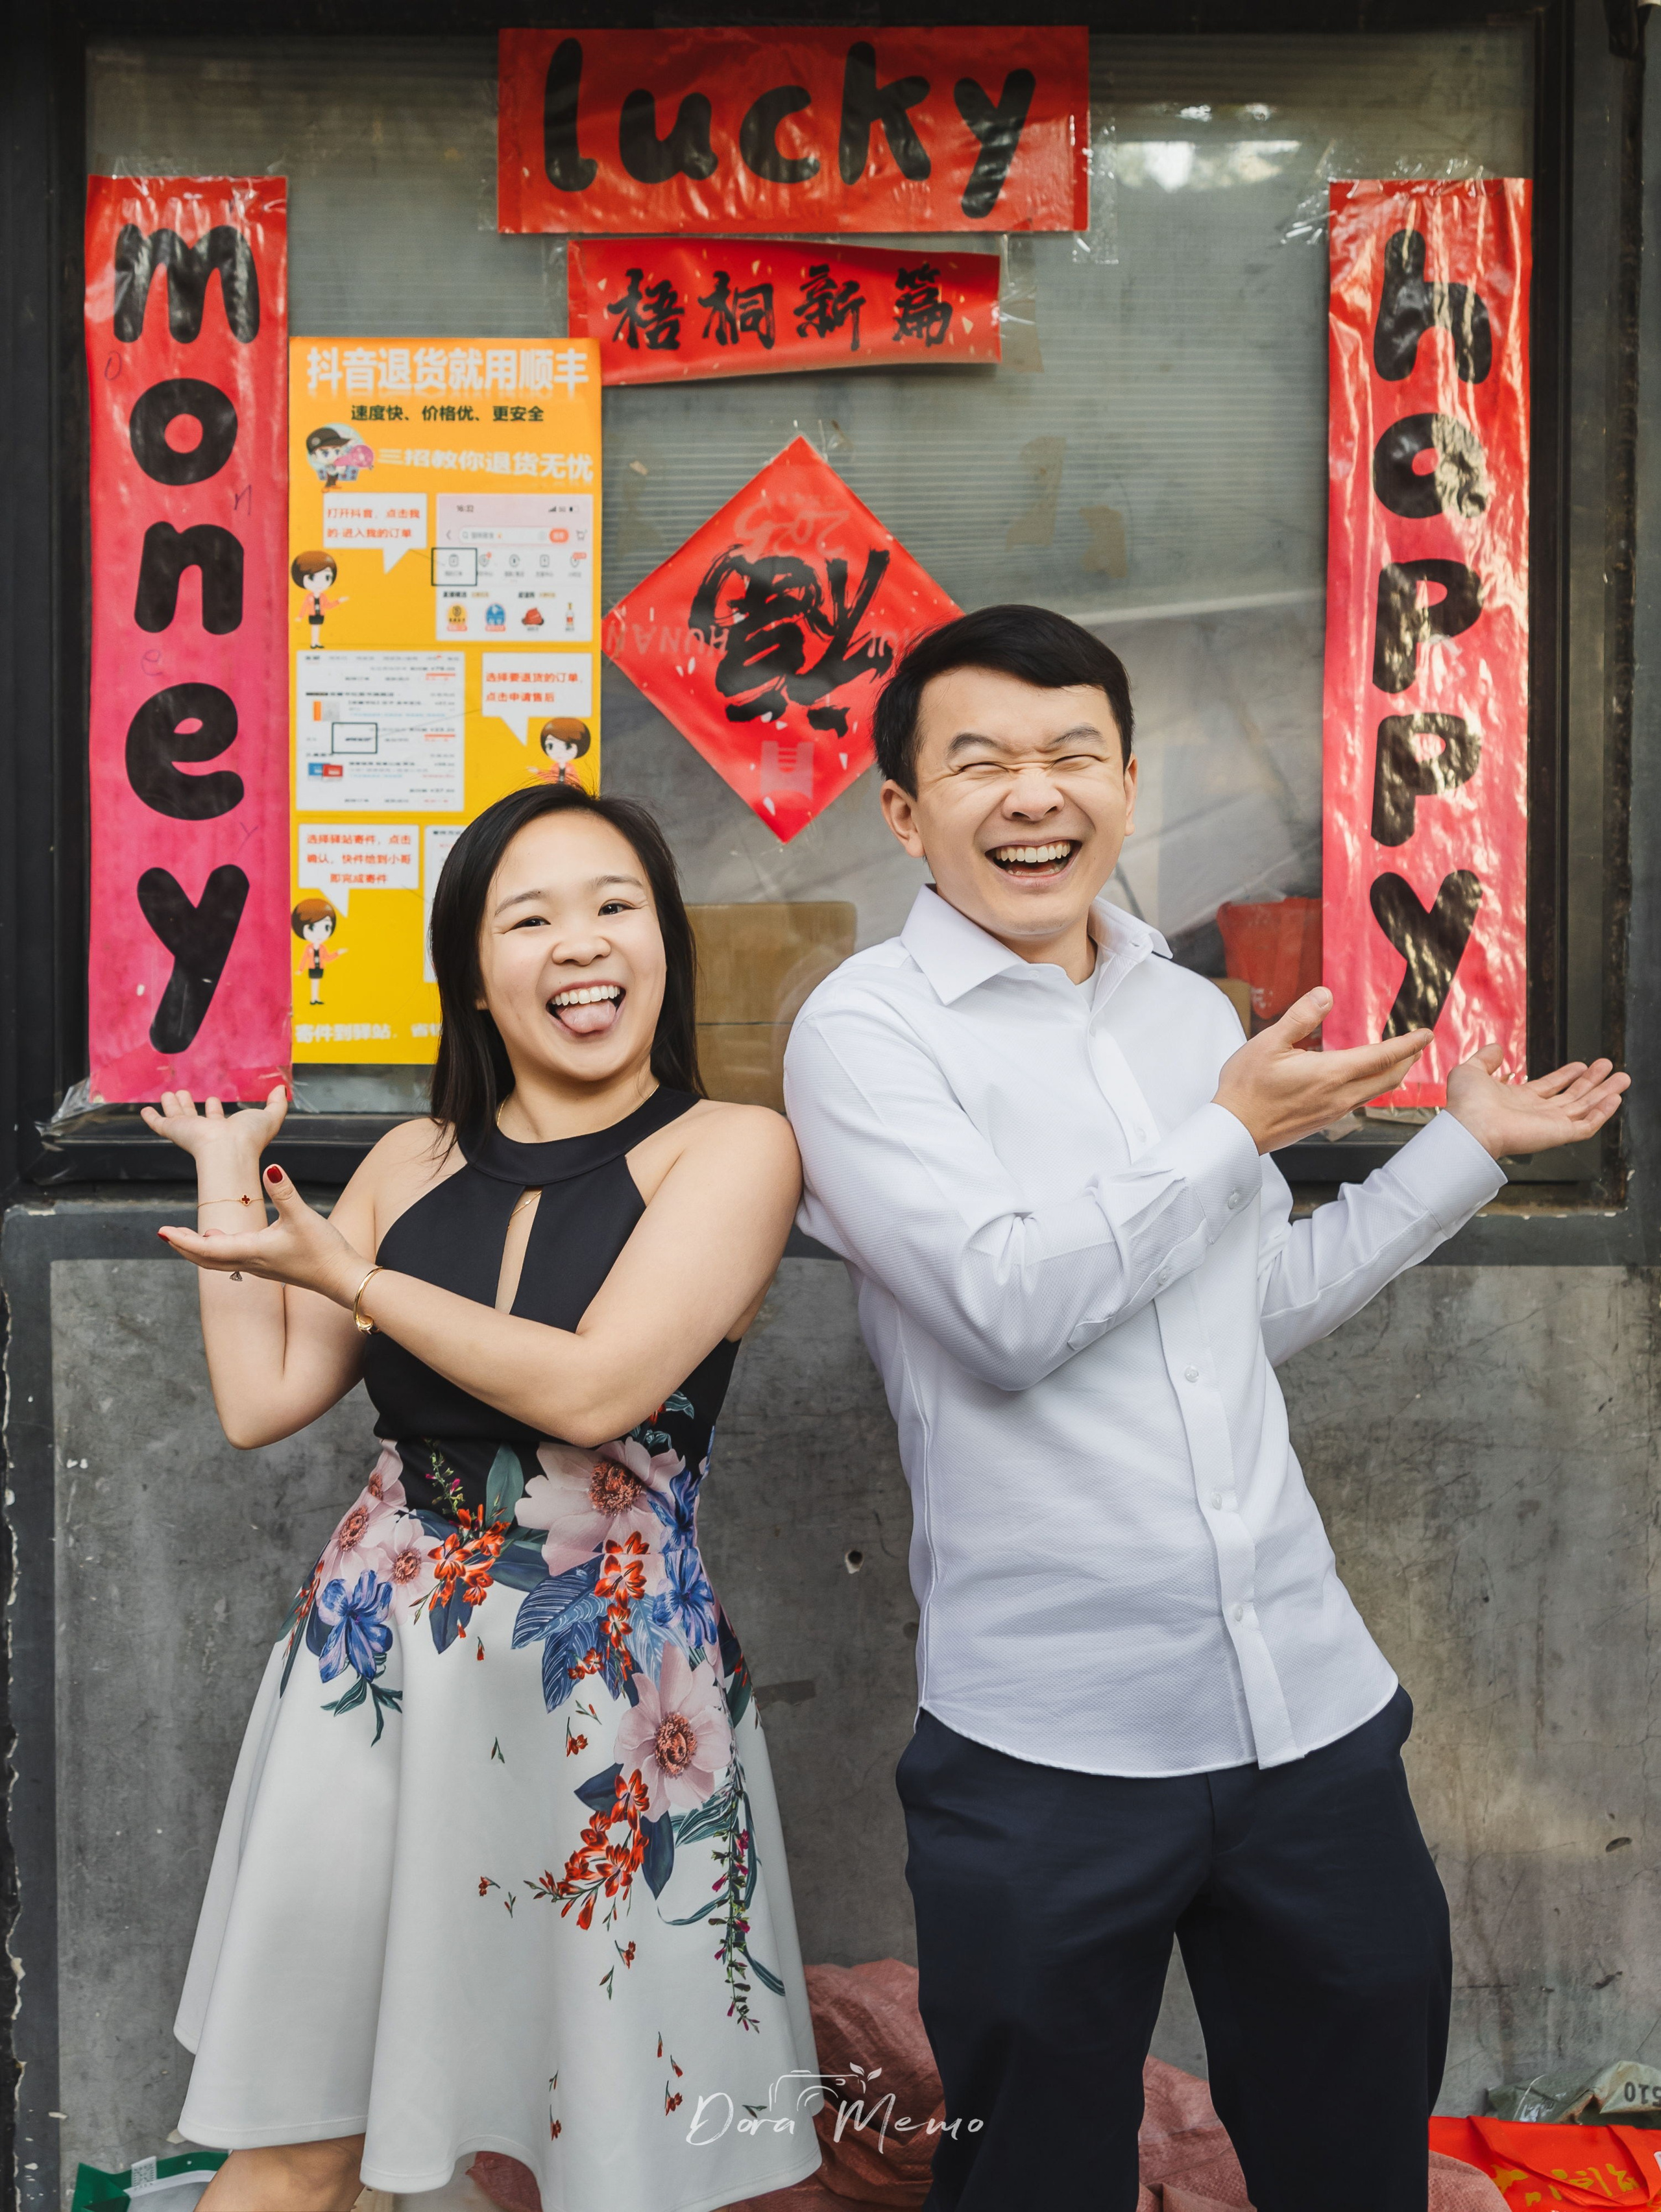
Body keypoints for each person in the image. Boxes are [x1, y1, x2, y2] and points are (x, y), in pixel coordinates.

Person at [782, 604, 1630, 2212]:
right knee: (1028, 2181)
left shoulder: (1182, 1013)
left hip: (1305, 1718)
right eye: (979, 763)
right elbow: (1003, 1308)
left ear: (1120, 780)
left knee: (1350, 2167)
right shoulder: (863, 1034)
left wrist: (1457, 1153)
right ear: (902, 810)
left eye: (1070, 755)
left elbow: (1245, 1318)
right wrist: (1226, 1133)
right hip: (1043, 1746)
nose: (1032, 795)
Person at [149, 783, 821, 2212]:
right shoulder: (409, 1159)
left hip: (607, 1693)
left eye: (614, 905)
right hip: (377, 1668)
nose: (580, 945)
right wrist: (223, 1183)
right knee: (302, 2134)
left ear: (663, 940)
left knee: (622, 2151)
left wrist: (352, 1275)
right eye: (531, 917)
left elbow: (592, 1392)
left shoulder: (734, 1150)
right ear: (470, 967)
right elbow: (263, 1402)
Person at [290, 895, 344, 1007]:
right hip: (312, 968)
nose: (320, 933)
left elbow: (328, 958)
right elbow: (304, 959)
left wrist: (338, 953)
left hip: (320, 967)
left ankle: (316, 998)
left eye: (326, 927)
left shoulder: (323, 948)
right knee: (314, 983)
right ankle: (313, 998)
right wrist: (300, 970)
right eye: (312, 928)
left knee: (318, 983)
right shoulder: (308, 948)